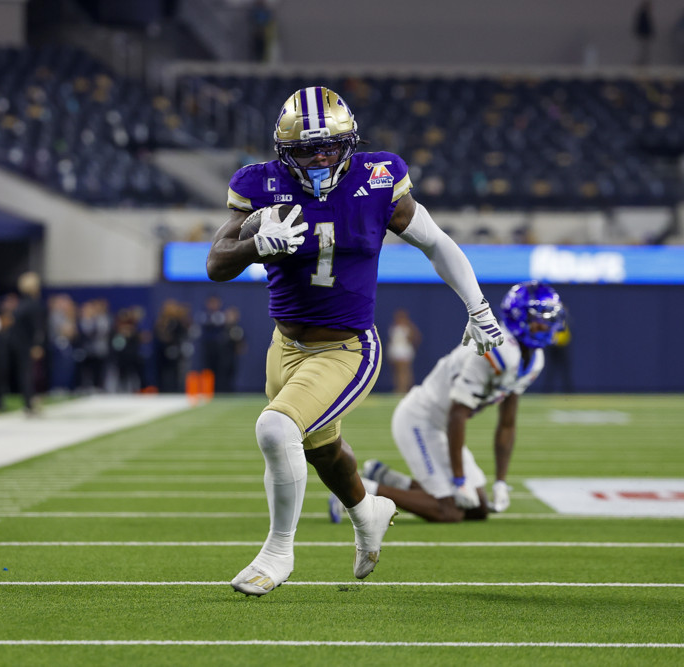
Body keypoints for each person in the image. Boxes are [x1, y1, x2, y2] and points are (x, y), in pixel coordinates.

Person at [206, 86, 504, 596]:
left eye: (330, 147)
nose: (320, 158)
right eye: (306, 149)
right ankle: (369, 511)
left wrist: (478, 307)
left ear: (350, 143)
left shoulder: (378, 178)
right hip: (285, 346)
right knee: (322, 451)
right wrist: (256, 244)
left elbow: (436, 242)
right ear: (284, 151)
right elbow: (216, 263)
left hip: (346, 347)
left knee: (277, 431)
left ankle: (278, 553)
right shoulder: (260, 184)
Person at [334, 281, 565, 524]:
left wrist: (500, 481)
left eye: (551, 318)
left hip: (442, 425)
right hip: (420, 419)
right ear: (519, 317)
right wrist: (459, 479)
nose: (548, 326)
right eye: (541, 319)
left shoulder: (533, 360)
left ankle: (389, 479)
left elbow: (507, 424)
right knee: (449, 511)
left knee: (479, 508)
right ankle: (357, 490)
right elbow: (458, 414)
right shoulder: (495, 349)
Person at [0, 271, 46, 415]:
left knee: (23, 373)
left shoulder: (21, 305)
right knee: (27, 373)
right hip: (25, 344)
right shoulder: (33, 305)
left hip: (16, 343)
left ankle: (28, 401)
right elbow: (37, 327)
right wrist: (37, 345)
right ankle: (29, 403)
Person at [387, 308, 421, 394]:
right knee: (397, 372)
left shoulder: (408, 327)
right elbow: (391, 341)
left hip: (404, 352)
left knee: (405, 371)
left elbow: (416, 338)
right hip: (395, 352)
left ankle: (405, 388)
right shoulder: (394, 327)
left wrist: (410, 344)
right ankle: (399, 388)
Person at [633, 1, 655, 66]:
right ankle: (641, 62)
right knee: (643, 50)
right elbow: (644, 25)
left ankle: (643, 62)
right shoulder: (643, 15)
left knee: (644, 50)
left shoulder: (644, 14)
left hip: (644, 34)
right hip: (644, 35)